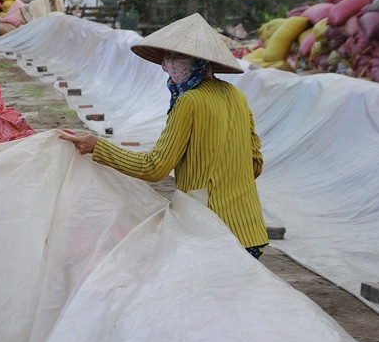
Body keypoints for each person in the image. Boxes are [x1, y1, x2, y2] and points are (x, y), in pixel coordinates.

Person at [59, 13, 269, 259]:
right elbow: (255, 163)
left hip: (210, 231)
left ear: (201, 61)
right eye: (166, 57)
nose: (167, 65)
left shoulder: (189, 100)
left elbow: (155, 168)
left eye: (176, 57)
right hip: (249, 230)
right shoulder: (236, 95)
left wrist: (98, 146)